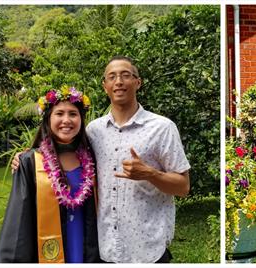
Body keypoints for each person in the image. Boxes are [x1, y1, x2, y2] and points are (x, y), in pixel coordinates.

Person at [13, 56, 191, 263]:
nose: (119, 82)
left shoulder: (162, 128)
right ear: (105, 86)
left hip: (147, 249)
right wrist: (27, 158)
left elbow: (183, 187)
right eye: (112, 76)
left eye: (126, 75)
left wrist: (150, 174)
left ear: (138, 82)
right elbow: (63, 153)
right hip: (104, 249)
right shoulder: (94, 130)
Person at [0, 87, 101, 263]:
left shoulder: (92, 159)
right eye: (59, 113)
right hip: (47, 249)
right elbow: (19, 221)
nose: (66, 120)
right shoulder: (31, 161)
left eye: (73, 114)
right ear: (48, 119)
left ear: (81, 119)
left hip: (86, 244)